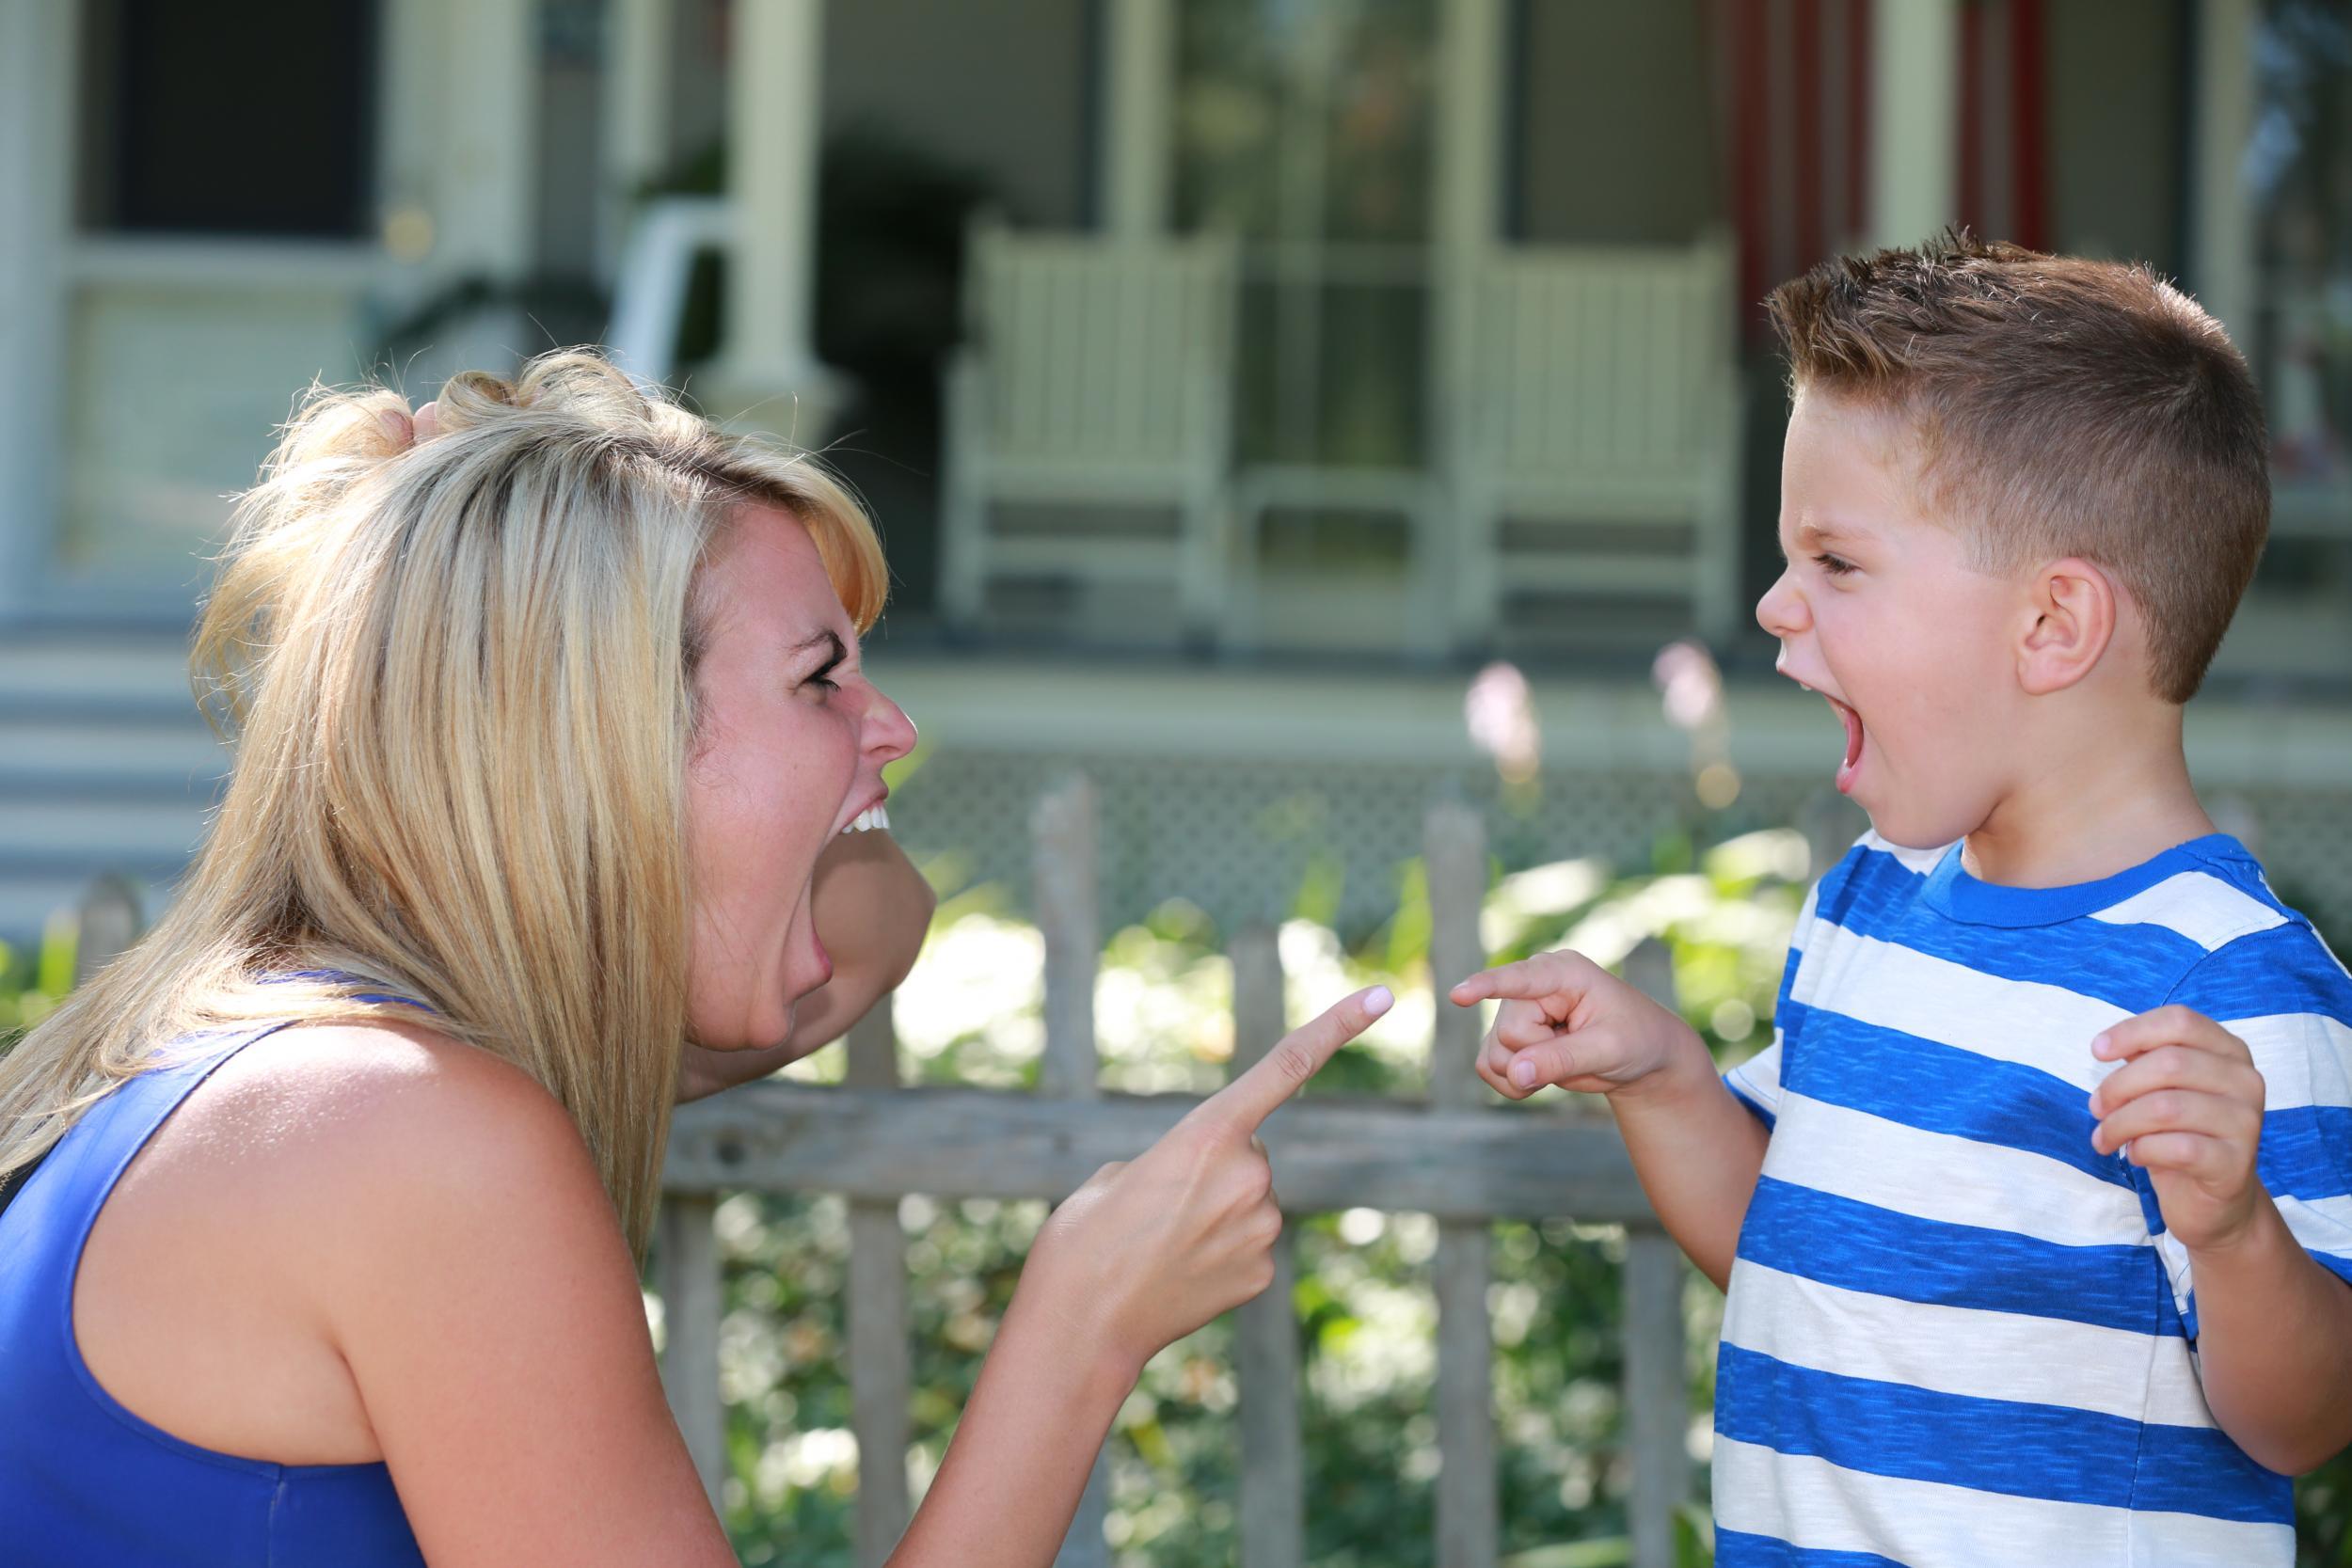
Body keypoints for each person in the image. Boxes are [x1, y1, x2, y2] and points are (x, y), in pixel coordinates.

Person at [0, 351, 1393, 1566]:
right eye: (820, 678)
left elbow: (869, 923)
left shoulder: (284, 1056)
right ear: (599, 746)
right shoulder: (408, 1137)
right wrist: (1082, 1328)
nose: (892, 722)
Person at [1452, 234, 2352, 1566]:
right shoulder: (1869, 910)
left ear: (2053, 626)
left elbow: (2304, 1422)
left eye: (1836, 563)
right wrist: (1664, 1080)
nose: (1772, 606)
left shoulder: (2228, 988)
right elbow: (1797, 1262)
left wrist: (2233, 1234)